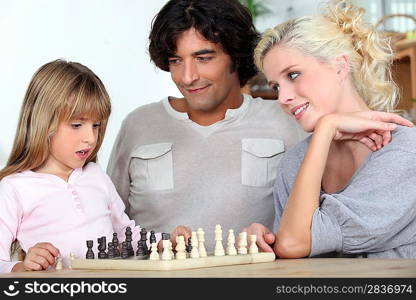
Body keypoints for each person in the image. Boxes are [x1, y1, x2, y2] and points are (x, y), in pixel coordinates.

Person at [107, 0, 306, 249]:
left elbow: (315, 222)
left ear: (236, 55)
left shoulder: (286, 121)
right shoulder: (139, 125)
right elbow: (109, 223)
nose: (188, 77)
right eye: (176, 61)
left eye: (203, 58)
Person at [243, 0, 416, 258]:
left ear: (340, 66)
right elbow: (290, 250)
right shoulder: (295, 163)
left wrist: (326, 126)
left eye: (292, 75)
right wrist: (266, 241)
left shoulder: (404, 151)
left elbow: (295, 245)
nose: (282, 98)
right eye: (276, 86)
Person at [0, 60, 189, 273]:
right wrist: (21, 267)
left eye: (96, 125)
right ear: (43, 122)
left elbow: (126, 234)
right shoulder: (14, 187)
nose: (90, 138)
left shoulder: (95, 175)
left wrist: (166, 242)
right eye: (77, 125)